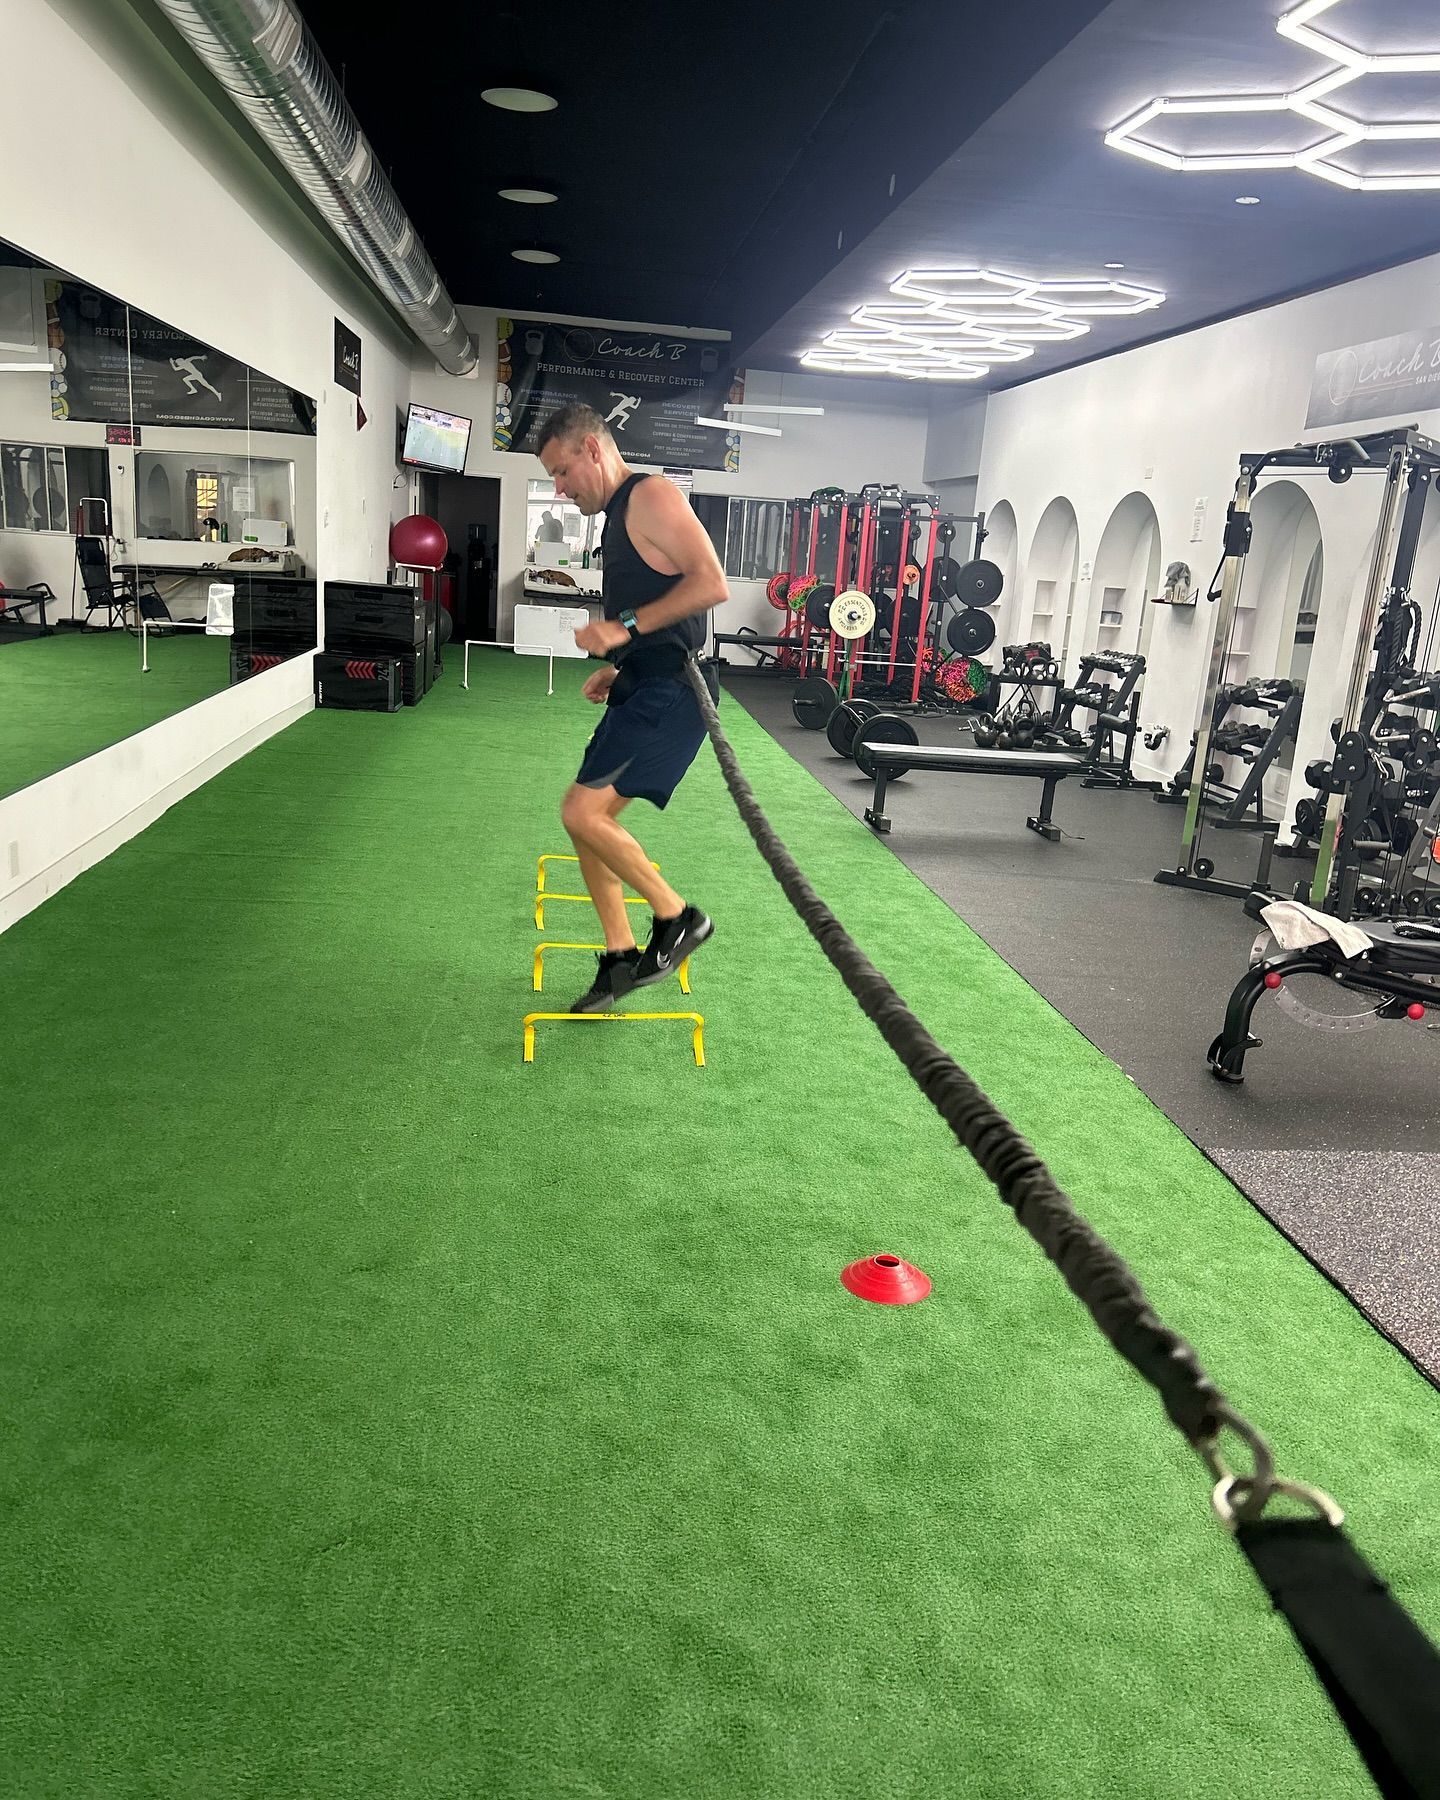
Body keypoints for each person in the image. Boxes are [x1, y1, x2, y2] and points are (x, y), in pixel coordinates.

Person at [536, 402, 728, 1013]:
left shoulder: (650, 496)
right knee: (587, 823)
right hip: (644, 683)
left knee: (582, 812)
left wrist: (623, 629)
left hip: (675, 692)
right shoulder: (619, 513)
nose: (559, 489)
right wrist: (619, 665)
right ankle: (620, 957)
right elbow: (660, 603)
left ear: (592, 449)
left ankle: (678, 917)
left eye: (561, 472)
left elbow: (710, 584)